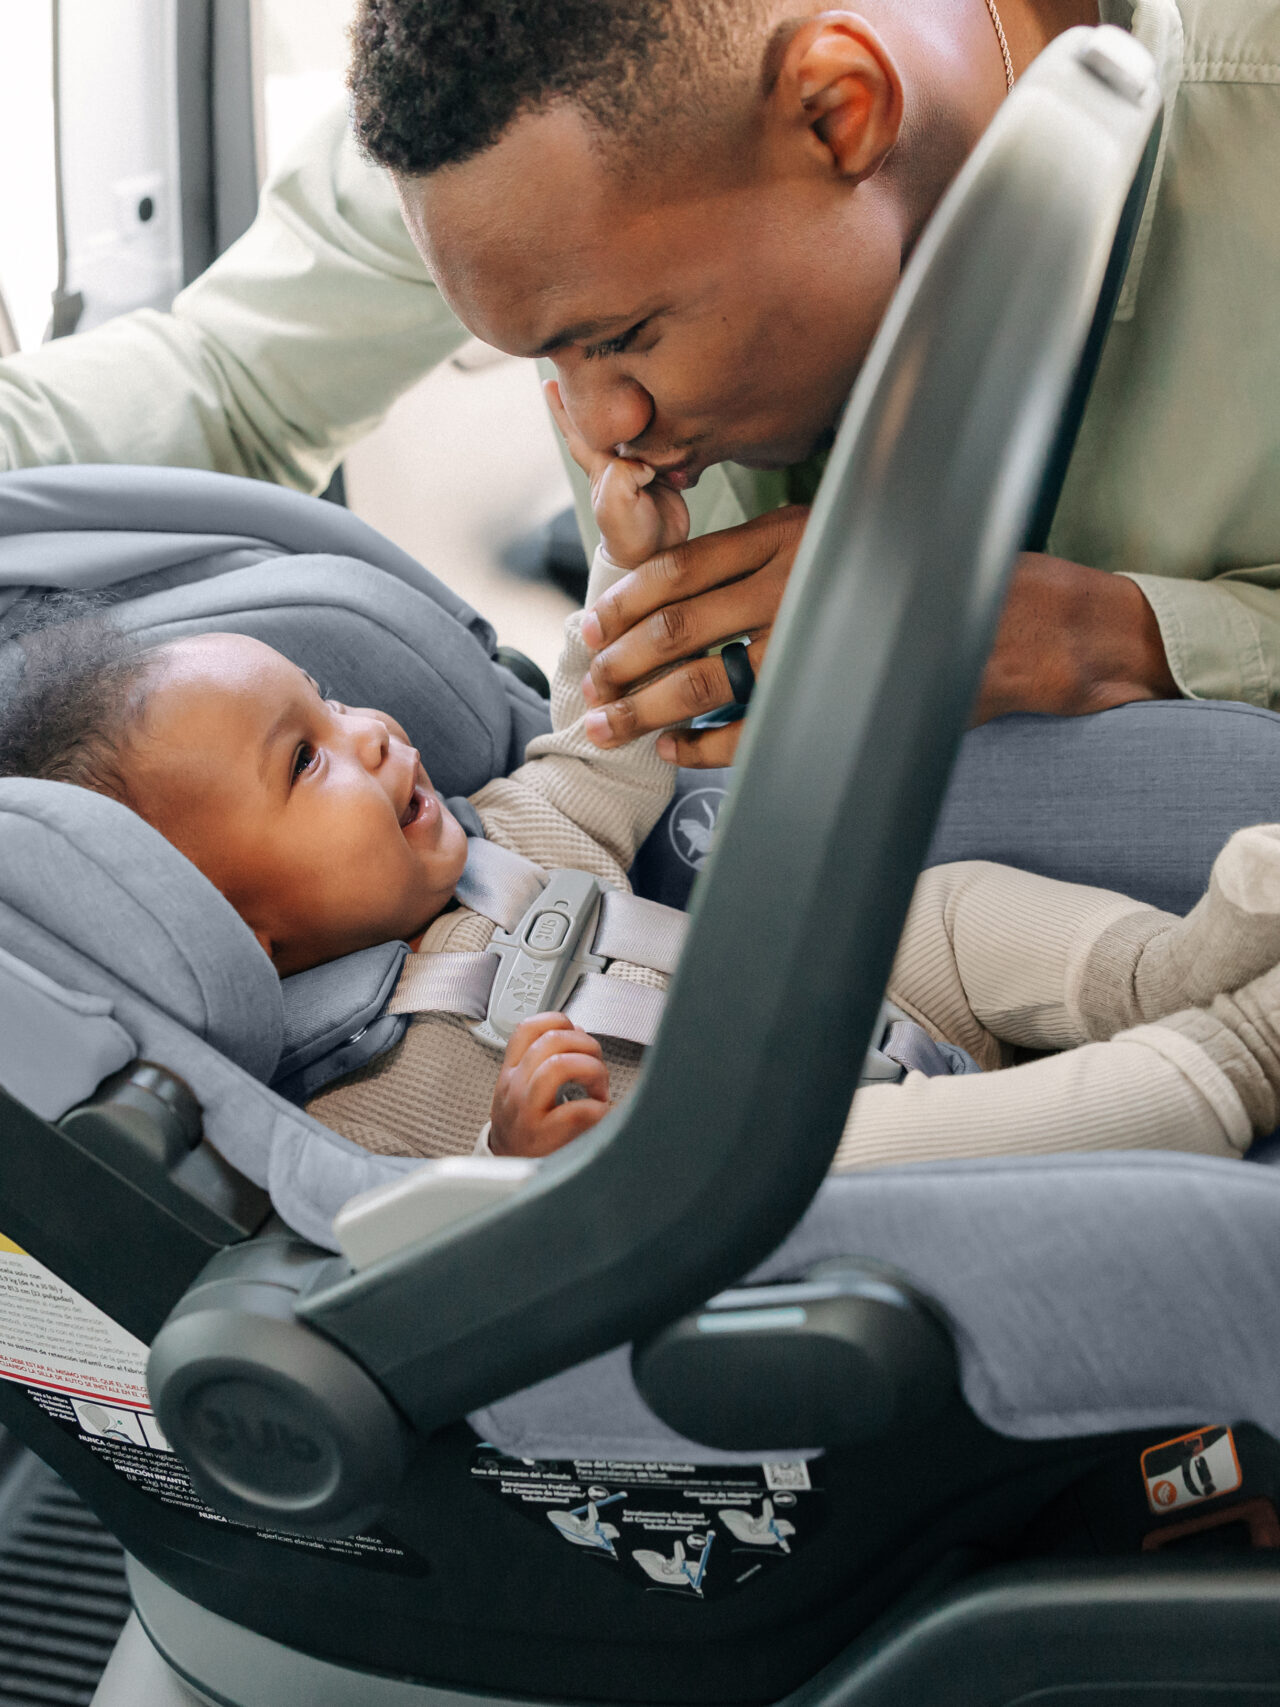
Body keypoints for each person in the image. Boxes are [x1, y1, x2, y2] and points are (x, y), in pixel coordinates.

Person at [1, 0, 1277, 766]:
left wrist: (1130, 643)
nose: (597, 426)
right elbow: (224, 382)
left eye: (619, 338)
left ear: (842, 112)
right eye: (542, 363)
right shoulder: (511, 130)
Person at [4, 416, 1280, 1173]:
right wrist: (515, 1165)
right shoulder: (351, 1105)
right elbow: (435, 1264)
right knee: (797, 1160)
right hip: (790, 1172)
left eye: (333, 703)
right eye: (307, 761)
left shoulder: (509, 838)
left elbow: (606, 738)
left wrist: (634, 555)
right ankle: (1227, 1056)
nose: (376, 732)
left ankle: (1157, 975)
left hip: (853, 1002)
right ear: (236, 925)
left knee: (936, 907)